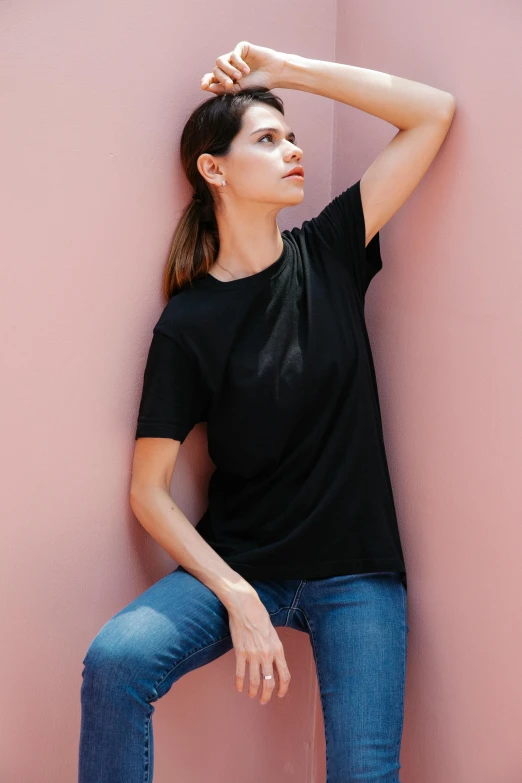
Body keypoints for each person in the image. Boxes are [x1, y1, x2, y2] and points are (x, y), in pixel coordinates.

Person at [78, 42, 456, 783]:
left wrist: (282, 72)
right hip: (242, 562)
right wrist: (237, 593)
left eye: (291, 136)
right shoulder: (188, 324)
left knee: (365, 771)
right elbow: (147, 490)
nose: (293, 150)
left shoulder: (333, 250)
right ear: (212, 169)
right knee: (115, 660)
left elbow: (432, 114)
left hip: (357, 571)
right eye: (268, 138)